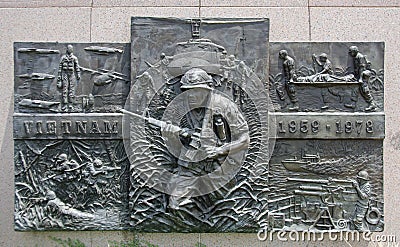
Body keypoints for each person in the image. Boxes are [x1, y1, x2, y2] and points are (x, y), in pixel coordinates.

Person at [162, 68, 250, 212]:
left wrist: (220, 150)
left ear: (207, 90)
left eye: (196, 91)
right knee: (174, 205)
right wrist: (173, 135)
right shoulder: (180, 107)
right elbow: (173, 145)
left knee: (225, 208)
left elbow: (245, 139)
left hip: (218, 167)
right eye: (187, 91)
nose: (191, 95)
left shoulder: (225, 106)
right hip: (191, 166)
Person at [348, 46, 377, 111]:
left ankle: (372, 104)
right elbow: (356, 68)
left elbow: (362, 69)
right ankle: (353, 104)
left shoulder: (360, 57)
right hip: (359, 74)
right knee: (356, 88)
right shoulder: (355, 57)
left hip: (364, 74)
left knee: (364, 89)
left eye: (351, 52)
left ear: (355, 51)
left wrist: (360, 78)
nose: (350, 54)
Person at [57, 45, 81, 112]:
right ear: (67, 49)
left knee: (71, 89)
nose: (70, 50)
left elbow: (77, 67)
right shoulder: (63, 58)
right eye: (69, 48)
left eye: (71, 48)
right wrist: (59, 77)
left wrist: (78, 74)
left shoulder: (74, 58)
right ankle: (64, 104)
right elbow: (60, 68)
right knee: (65, 89)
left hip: (71, 75)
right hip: (64, 74)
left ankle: (70, 104)